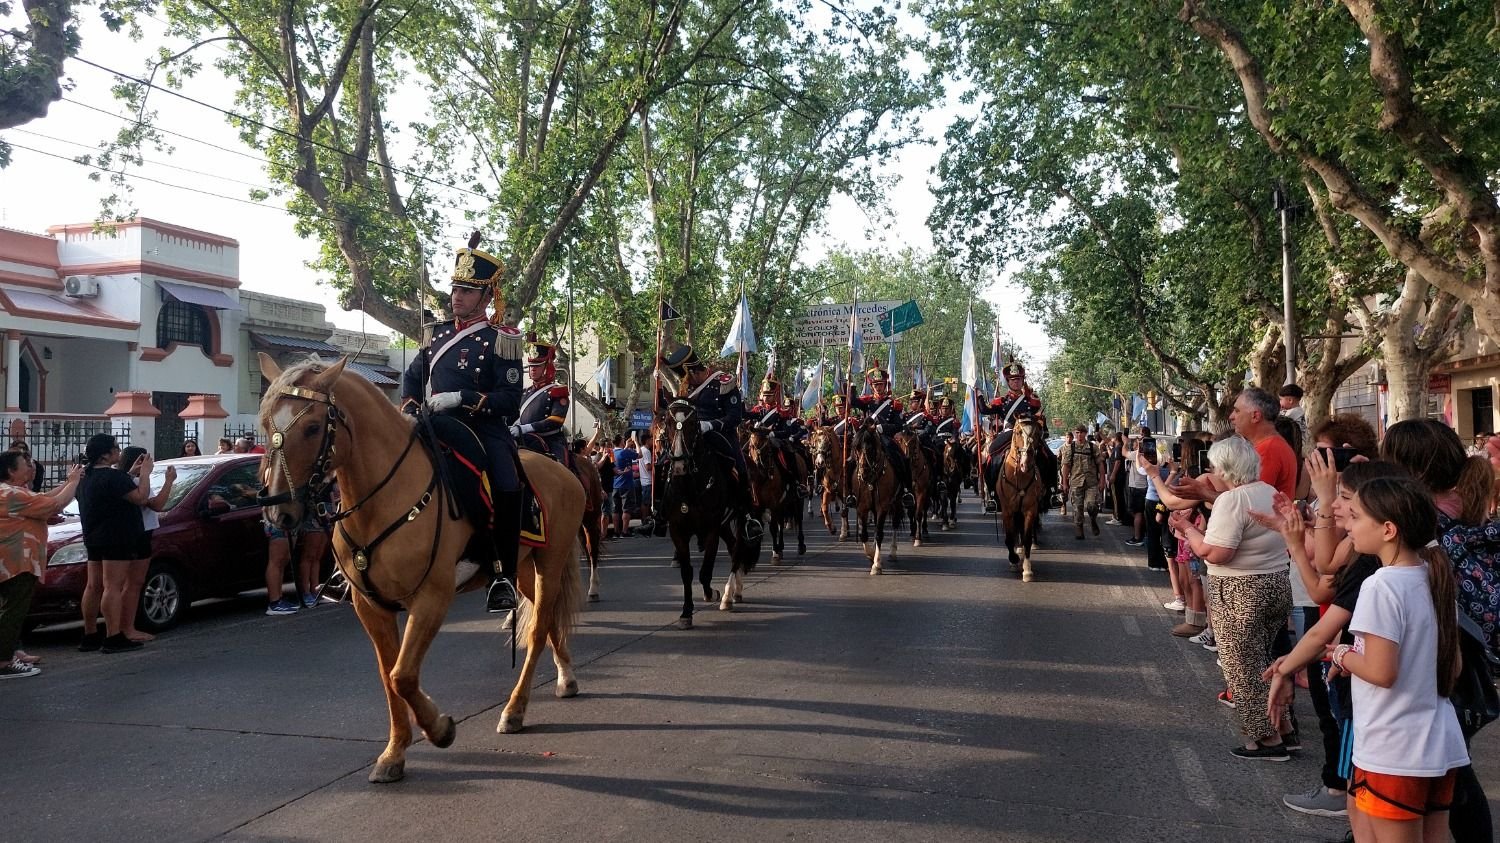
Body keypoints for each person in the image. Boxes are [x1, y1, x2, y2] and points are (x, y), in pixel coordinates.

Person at [1309, 477, 1468, 841]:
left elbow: (1382, 671)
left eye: (1357, 517)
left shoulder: (1381, 584)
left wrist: (1345, 654)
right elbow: (1453, 665)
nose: (1350, 526)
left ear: (1388, 529)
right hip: (1439, 742)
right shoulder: (1434, 577)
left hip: (1393, 748)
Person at [399, 231, 526, 613]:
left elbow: (510, 401)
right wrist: (408, 406)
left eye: (468, 290)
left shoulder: (501, 339)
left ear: (487, 298)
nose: (457, 296)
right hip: (432, 422)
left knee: (507, 483)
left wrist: (463, 398)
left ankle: (502, 572)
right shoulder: (433, 337)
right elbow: (411, 378)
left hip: (482, 427)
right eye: (455, 288)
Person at [1169, 435, 1293, 761]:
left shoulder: (1232, 500)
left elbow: (1217, 552)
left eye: (1213, 466)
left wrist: (1188, 530)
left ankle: (1266, 738)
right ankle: (1283, 727)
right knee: (1264, 661)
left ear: (1225, 467)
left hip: (1240, 591)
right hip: (1276, 584)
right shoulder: (1269, 492)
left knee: (1241, 666)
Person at [660, 342, 760, 537]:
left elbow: (735, 417)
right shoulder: (686, 389)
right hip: (692, 436)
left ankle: (748, 517)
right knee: (665, 463)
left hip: (721, 434)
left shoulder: (723, 382)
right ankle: (661, 514)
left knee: (740, 468)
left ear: (694, 371)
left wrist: (711, 424)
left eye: (688, 377)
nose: (687, 383)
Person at [0, 449, 82, 678]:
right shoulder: (13, 495)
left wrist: (68, 482)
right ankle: (4, 661)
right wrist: (73, 482)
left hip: (11, 562)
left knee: (9, 610)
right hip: (16, 562)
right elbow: (54, 505)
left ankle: (10, 651)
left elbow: (44, 499)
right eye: (24, 464)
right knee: (13, 611)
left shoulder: (14, 493)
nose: (30, 467)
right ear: (10, 471)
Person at [76, 434, 153, 654]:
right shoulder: (113, 477)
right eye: (116, 449)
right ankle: (113, 636)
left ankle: (90, 634)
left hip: (93, 535)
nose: (119, 452)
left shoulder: (85, 476)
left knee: (93, 586)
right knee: (113, 586)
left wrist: (129, 474)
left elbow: (111, 488)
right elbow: (140, 497)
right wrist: (145, 474)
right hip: (116, 536)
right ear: (105, 454)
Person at [1174, 387, 1297, 502]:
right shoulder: (1270, 445)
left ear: (1255, 416)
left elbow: (1249, 501)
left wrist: (1204, 493)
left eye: (1237, 411)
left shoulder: (1269, 449)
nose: (1231, 417)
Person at [978, 362, 1058, 511]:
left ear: (1022, 380)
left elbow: (1036, 407)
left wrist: (1028, 393)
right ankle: (994, 495)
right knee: (991, 457)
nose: (1016, 382)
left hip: (1028, 434)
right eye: (1012, 380)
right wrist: (979, 395)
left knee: (1050, 458)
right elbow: (984, 410)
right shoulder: (1001, 401)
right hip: (1009, 433)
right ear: (1007, 382)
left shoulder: (1030, 399)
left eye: (1018, 379)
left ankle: (1052, 493)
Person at [116, 447, 175, 641]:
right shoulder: (135, 481)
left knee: (123, 584)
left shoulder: (122, 479)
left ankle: (121, 627)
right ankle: (127, 627)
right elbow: (157, 504)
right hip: (139, 534)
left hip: (129, 534)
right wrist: (168, 482)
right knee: (133, 583)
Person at [846, 366, 915, 508]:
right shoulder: (866, 402)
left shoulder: (894, 404)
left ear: (885, 385)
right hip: (866, 436)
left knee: (901, 458)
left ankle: (907, 490)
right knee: (851, 459)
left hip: (884, 437)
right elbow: (852, 402)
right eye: (875, 385)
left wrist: (882, 428)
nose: (878, 387)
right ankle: (851, 493)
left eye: (881, 384)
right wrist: (851, 383)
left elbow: (899, 425)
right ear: (872, 386)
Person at [511, 333, 571, 465]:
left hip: (550, 441)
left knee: (561, 472)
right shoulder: (525, 393)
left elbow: (556, 420)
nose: (533, 369)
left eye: (537, 366)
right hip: (524, 439)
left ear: (547, 367)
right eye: (531, 366)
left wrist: (526, 428)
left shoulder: (557, 391)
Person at [1058, 425, 1101, 540]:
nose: (1079, 435)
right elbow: (1065, 466)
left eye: (1081, 432)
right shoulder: (1070, 448)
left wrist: (1102, 480)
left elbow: (1100, 464)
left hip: (1091, 482)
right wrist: (1064, 483)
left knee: (1092, 505)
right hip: (1076, 482)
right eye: (1077, 432)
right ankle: (1079, 528)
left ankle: (1092, 519)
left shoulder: (1093, 447)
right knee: (1078, 507)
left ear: (1086, 433)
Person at [611, 435, 638, 539]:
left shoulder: (612, 453)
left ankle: (616, 532)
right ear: (621, 441)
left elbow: (621, 454)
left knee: (615, 510)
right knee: (626, 509)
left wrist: (626, 446)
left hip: (615, 485)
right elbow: (638, 455)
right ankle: (624, 531)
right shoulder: (624, 452)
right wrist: (636, 443)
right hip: (626, 484)